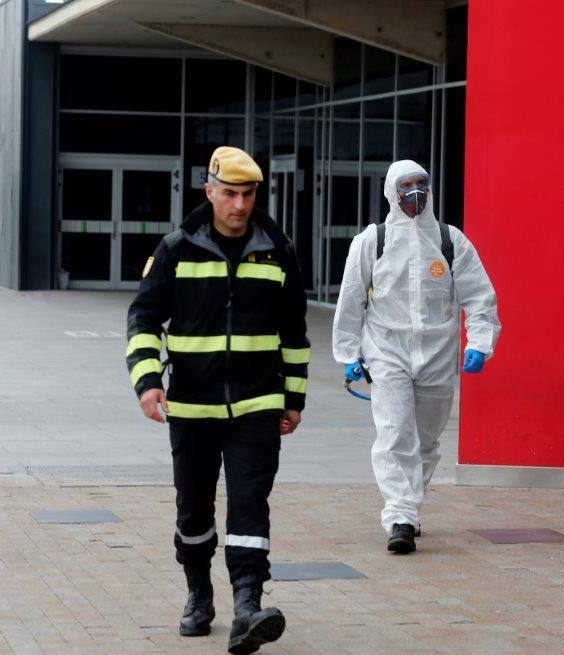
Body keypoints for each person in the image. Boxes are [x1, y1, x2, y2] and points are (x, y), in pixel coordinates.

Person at [125, 146, 309, 653]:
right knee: (194, 513)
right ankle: (198, 593)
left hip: (256, 405)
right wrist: (147, 381)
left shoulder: (278, 251)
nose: (239, 205)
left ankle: (248, 604)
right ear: (209, 192)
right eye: (229, 194)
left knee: (250, 503)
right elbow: (142, 319)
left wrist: (293, 397)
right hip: (193, 409)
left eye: (248, 194)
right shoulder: (176, 250)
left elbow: (294, 332)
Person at [332, 159, 501, 554]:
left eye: (421, 184)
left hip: (437, 356)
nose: (415, 193)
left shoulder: (450, 241)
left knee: (426, 441)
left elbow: (480, 296)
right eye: (406, 185)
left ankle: (408, 504)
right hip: (386, 352)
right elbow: (351, 300)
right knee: (395, 434)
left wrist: (479, 342)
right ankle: (401, 518)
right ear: (392, 190)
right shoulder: (372, 241)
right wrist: (348, 351)